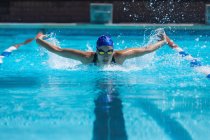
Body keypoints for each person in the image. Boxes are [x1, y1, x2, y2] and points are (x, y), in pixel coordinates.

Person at [35, 32, 168, 66]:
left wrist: (163, 41)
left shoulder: (120, 56)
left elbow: (147, 49)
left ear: (113, 50)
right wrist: (39, 40)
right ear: (96, 50)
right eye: (102, 51)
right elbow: (58, 50)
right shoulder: (87, 58)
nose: (106, 55)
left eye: (109, 51)